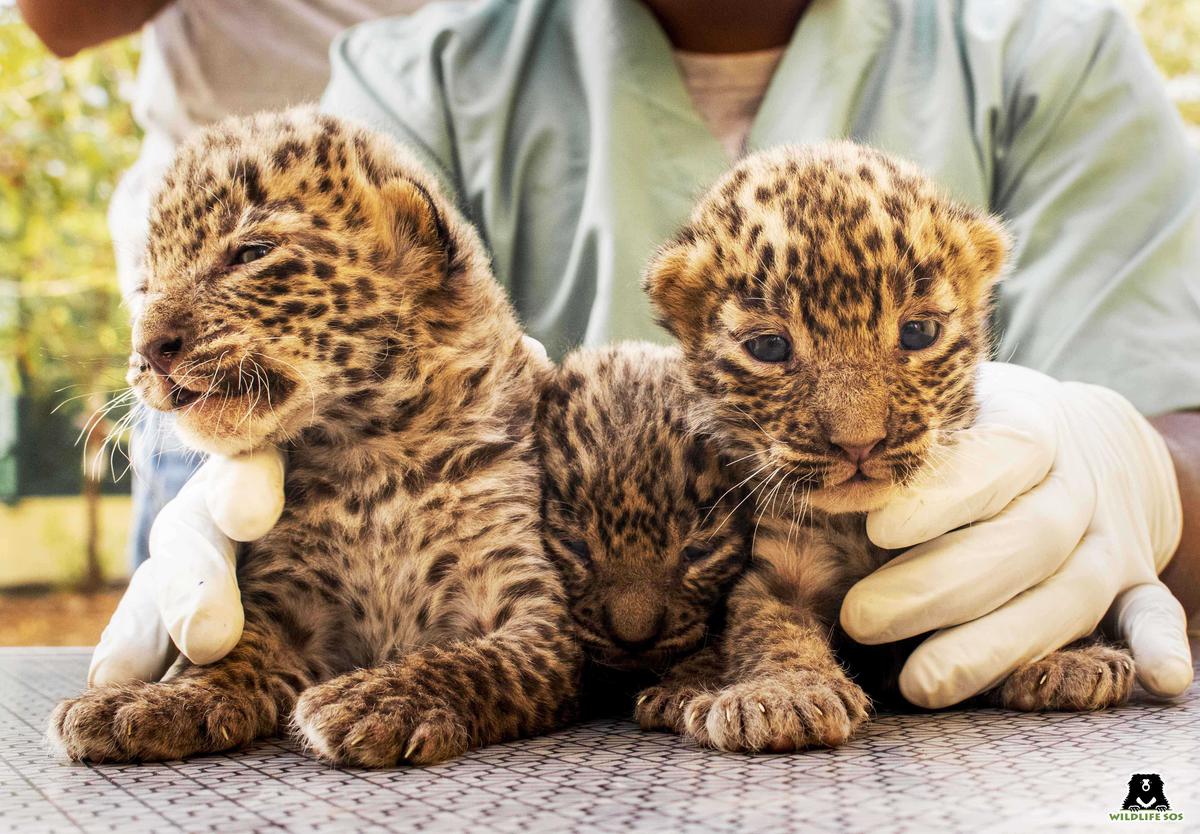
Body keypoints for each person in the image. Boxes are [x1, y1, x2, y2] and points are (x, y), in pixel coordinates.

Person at [87, 0, 1199, 707]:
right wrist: (232, 476)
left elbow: (1177, 406)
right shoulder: (412, 79)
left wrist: (1140, 478)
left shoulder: (1051, 44)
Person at [18, 0, 432, 570]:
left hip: (422, 334)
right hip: (217, 402)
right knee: (204, 623)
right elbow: (55, 19)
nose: (148, 341)